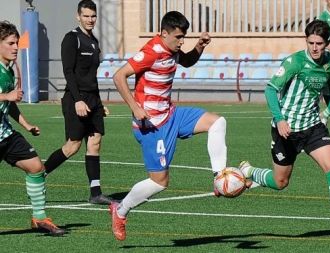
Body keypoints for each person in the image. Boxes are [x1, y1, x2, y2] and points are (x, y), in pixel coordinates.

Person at [238, 19, 330, 243]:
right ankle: (249, 171)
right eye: (311, 42)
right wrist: (279, 119)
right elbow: (271, 91)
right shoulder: (294, 62)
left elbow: (329, 96)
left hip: (313, 127)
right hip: (287, 131)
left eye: (319, 43)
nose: (315, 47)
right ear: (306, 41)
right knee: (281, 182)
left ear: (327, 43)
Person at [109, 11, 228, 241]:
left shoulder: (171, 49)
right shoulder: (151, 52)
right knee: (160, 182)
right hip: (151, 125)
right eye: (178, 37)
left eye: (184, 36)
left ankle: (219, 178)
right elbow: (118, 76)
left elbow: (186, 61)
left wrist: (199, 47)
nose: (182, 41)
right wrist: (134, 107)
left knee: (217, 122)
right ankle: (120, 210)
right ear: (164, 33)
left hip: (171, 115)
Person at [43, 0, 113, 205]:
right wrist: (78, 100)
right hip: (76, 98)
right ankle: (40, 175)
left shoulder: (94, 41)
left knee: (95, 142)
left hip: (93, 99)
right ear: (78, 16)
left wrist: (99, 102)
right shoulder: (71, 39)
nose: (90, 20)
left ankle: (96, 193)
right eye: (86, 16)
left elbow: (93, 75)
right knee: (72, 146)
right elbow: (68, 72)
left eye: (93, 16)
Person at [0, 20, 66, 236]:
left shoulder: (8, 70)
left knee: (36, 167)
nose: (16, 47)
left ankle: (39, 218)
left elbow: (7, 106)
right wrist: (7, 95)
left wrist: (27, 125)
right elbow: (6, 98)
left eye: (17, 42)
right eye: (11, 43)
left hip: (5, 134)